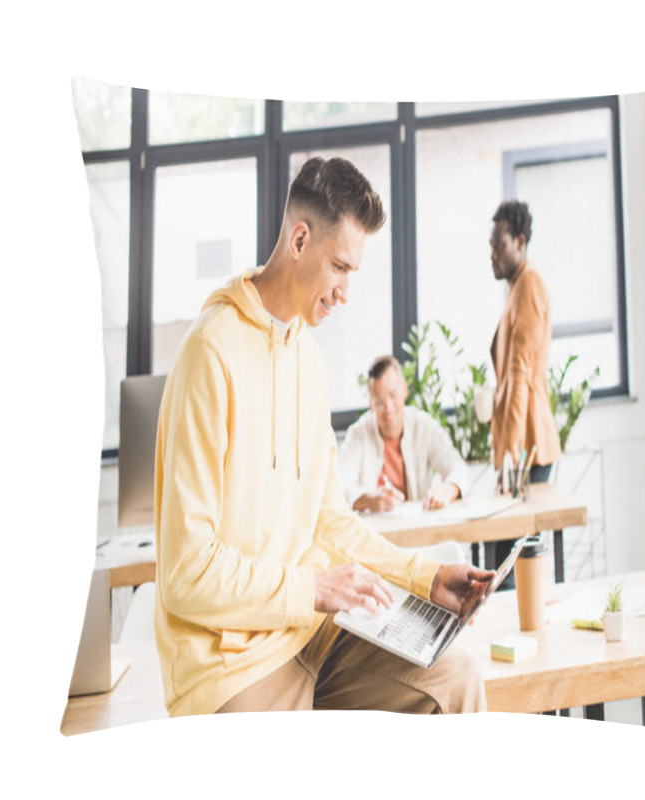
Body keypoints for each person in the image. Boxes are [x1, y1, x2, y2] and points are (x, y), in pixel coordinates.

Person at [154, 156, 491, 717]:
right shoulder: (209, 354)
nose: (344, 292)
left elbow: (330, 523)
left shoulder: (308, 358)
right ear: (300, 239)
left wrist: (427, 577)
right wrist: (312, 588)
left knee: (455, 677)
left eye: (352, 272)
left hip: (312, 633)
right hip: (230, 664)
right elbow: (186, 575)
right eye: (340, 267)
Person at [488, 200, 561, 586]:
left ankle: (517, 638)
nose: (492, 255)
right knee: (505, 556)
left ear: (519, 241)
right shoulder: (516, 286)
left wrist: (512, 458)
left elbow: (519, 375)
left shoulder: (529, 283)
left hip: (528, 447)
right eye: (490, 246)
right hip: (520, 448)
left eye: (498, 245)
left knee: (510, 558)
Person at [338, 355, 470, 513]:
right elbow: (339, 486)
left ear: (404, 390)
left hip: (417, 530)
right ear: (371, 404)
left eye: (392, 396)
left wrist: (448, 490)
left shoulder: (424, 426)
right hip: (373, 532)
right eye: (379, 402)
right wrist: (367, 500)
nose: (388, 408)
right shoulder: (357, 435)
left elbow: (459, 468)